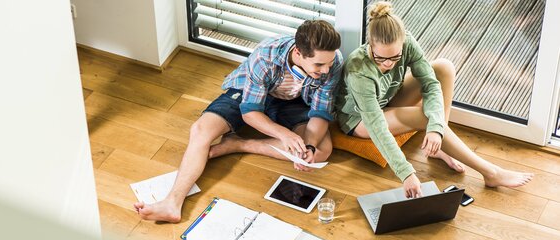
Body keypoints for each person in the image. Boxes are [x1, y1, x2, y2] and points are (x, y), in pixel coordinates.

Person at [135, 20, 343, 222]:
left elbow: (320, 111)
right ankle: (172, 202)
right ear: (298, 52)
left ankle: (238, 144)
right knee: (200, 130)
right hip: (249, 94)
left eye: (330, 63)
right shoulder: (266, 55)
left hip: (294, 101)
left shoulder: (332, 62)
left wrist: (309, 145)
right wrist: (283, 134)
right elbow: (250, 112)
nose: (326, 70)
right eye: (319, 64)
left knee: (321, 151)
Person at [335, 1, 533, 198]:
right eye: (380, 58)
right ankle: (491, 172)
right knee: (424, 116)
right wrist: (406, 173)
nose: (388, 64)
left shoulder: (408, 43)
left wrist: (436, 129)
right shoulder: (358, 69)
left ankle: (438, 145)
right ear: (370, 45)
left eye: (395, 58)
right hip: (361, 120)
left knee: (443, 68)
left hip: (388, 98)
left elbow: (430, 83)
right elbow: (376, 125)